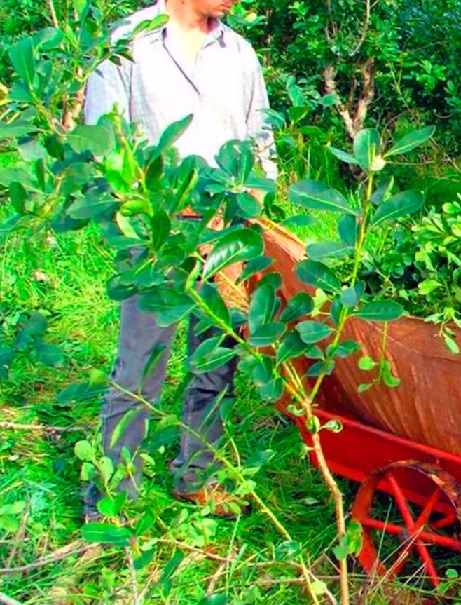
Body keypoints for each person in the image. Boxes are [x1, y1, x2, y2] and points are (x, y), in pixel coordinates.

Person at [82, 0, 277, 522]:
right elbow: (102, 144)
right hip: (155, 233)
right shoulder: (127, 44)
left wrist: (252, 202)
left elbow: (261, 142)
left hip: (227, 232)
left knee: (217, 355)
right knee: (142, 362)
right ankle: (113, 500)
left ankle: (200, 474)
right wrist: (154, 210)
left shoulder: (240, 53)